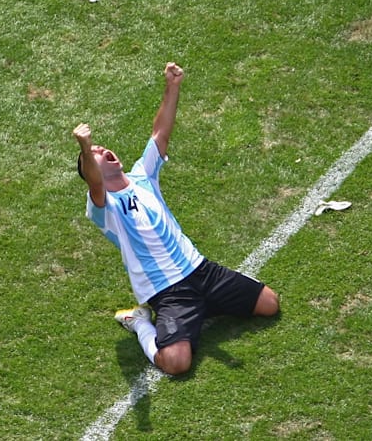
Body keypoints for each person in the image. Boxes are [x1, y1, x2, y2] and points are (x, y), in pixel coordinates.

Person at [72, 62, 279, 375]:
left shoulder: (143, 176)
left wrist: (173, 85)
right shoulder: (103, 206)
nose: (103, 150)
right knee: (176, 364)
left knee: (270, 304)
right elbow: (93, 180)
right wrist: (85, 149)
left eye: (101, 148)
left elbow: (160, 133)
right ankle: (140, 322)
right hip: (167, 292)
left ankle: (207, 305)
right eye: (97, 154)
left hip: (200, 269)